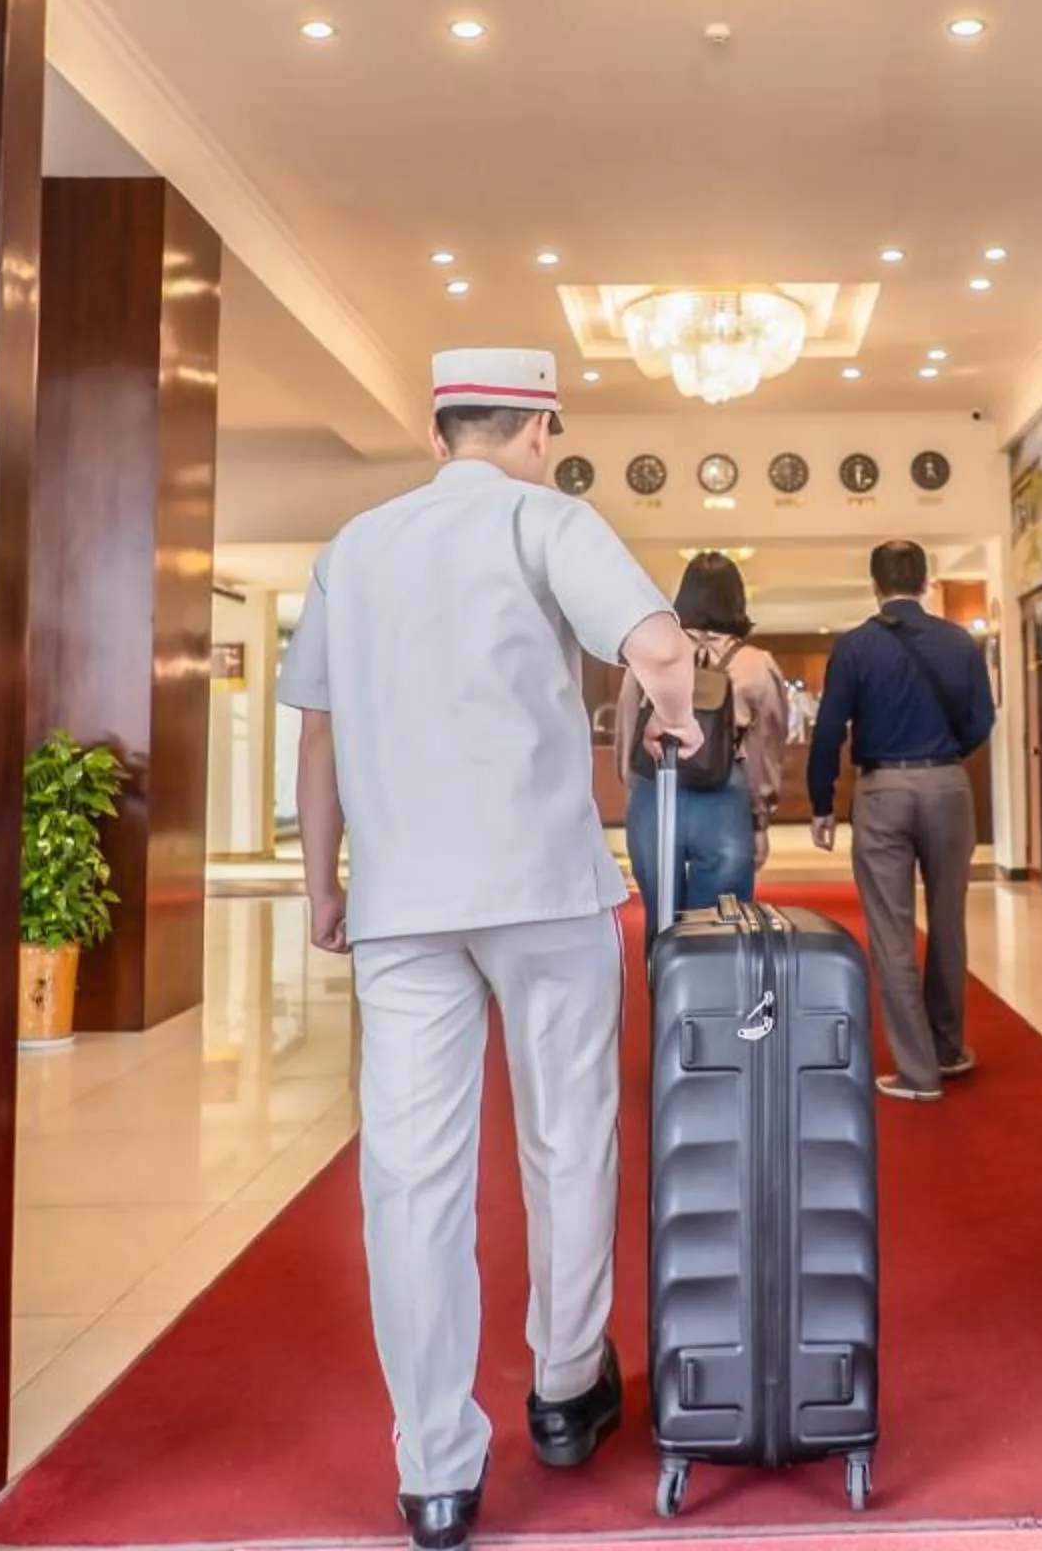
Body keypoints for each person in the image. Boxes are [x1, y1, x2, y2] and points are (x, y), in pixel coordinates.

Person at [278, 349, 702, 1551]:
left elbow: (317, 739)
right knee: (567, 1132)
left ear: (436, 426)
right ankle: (567, 1386)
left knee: (411, 1171)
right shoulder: (545, 516)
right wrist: (674, 720)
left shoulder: (355, 545)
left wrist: (324, 884)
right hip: (543, 885)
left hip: (403, 898)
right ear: (539, 428)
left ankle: (434, 1468)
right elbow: (660, 647)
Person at [807, 540, 995, 1104]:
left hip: (883, 789)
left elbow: (829, 730)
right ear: (926, 581)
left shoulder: (856, 647)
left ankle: (918, 1072)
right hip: (947, 786)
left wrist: (822, 803)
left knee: (891, 933)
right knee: (948, 921)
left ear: (874, 585)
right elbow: (981, 718)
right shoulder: (960, 642)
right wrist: (943, 757)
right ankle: (948, 1048)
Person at [611, 551, 789, 921]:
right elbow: (767, 747)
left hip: (655, 789)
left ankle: (663, 979)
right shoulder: (756, 664)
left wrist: (634, 786)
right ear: (737, 600)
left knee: (661, 922)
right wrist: (760, 818)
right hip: (724, 794)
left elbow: (628, 729)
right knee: (719, 925)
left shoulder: (653, 653)